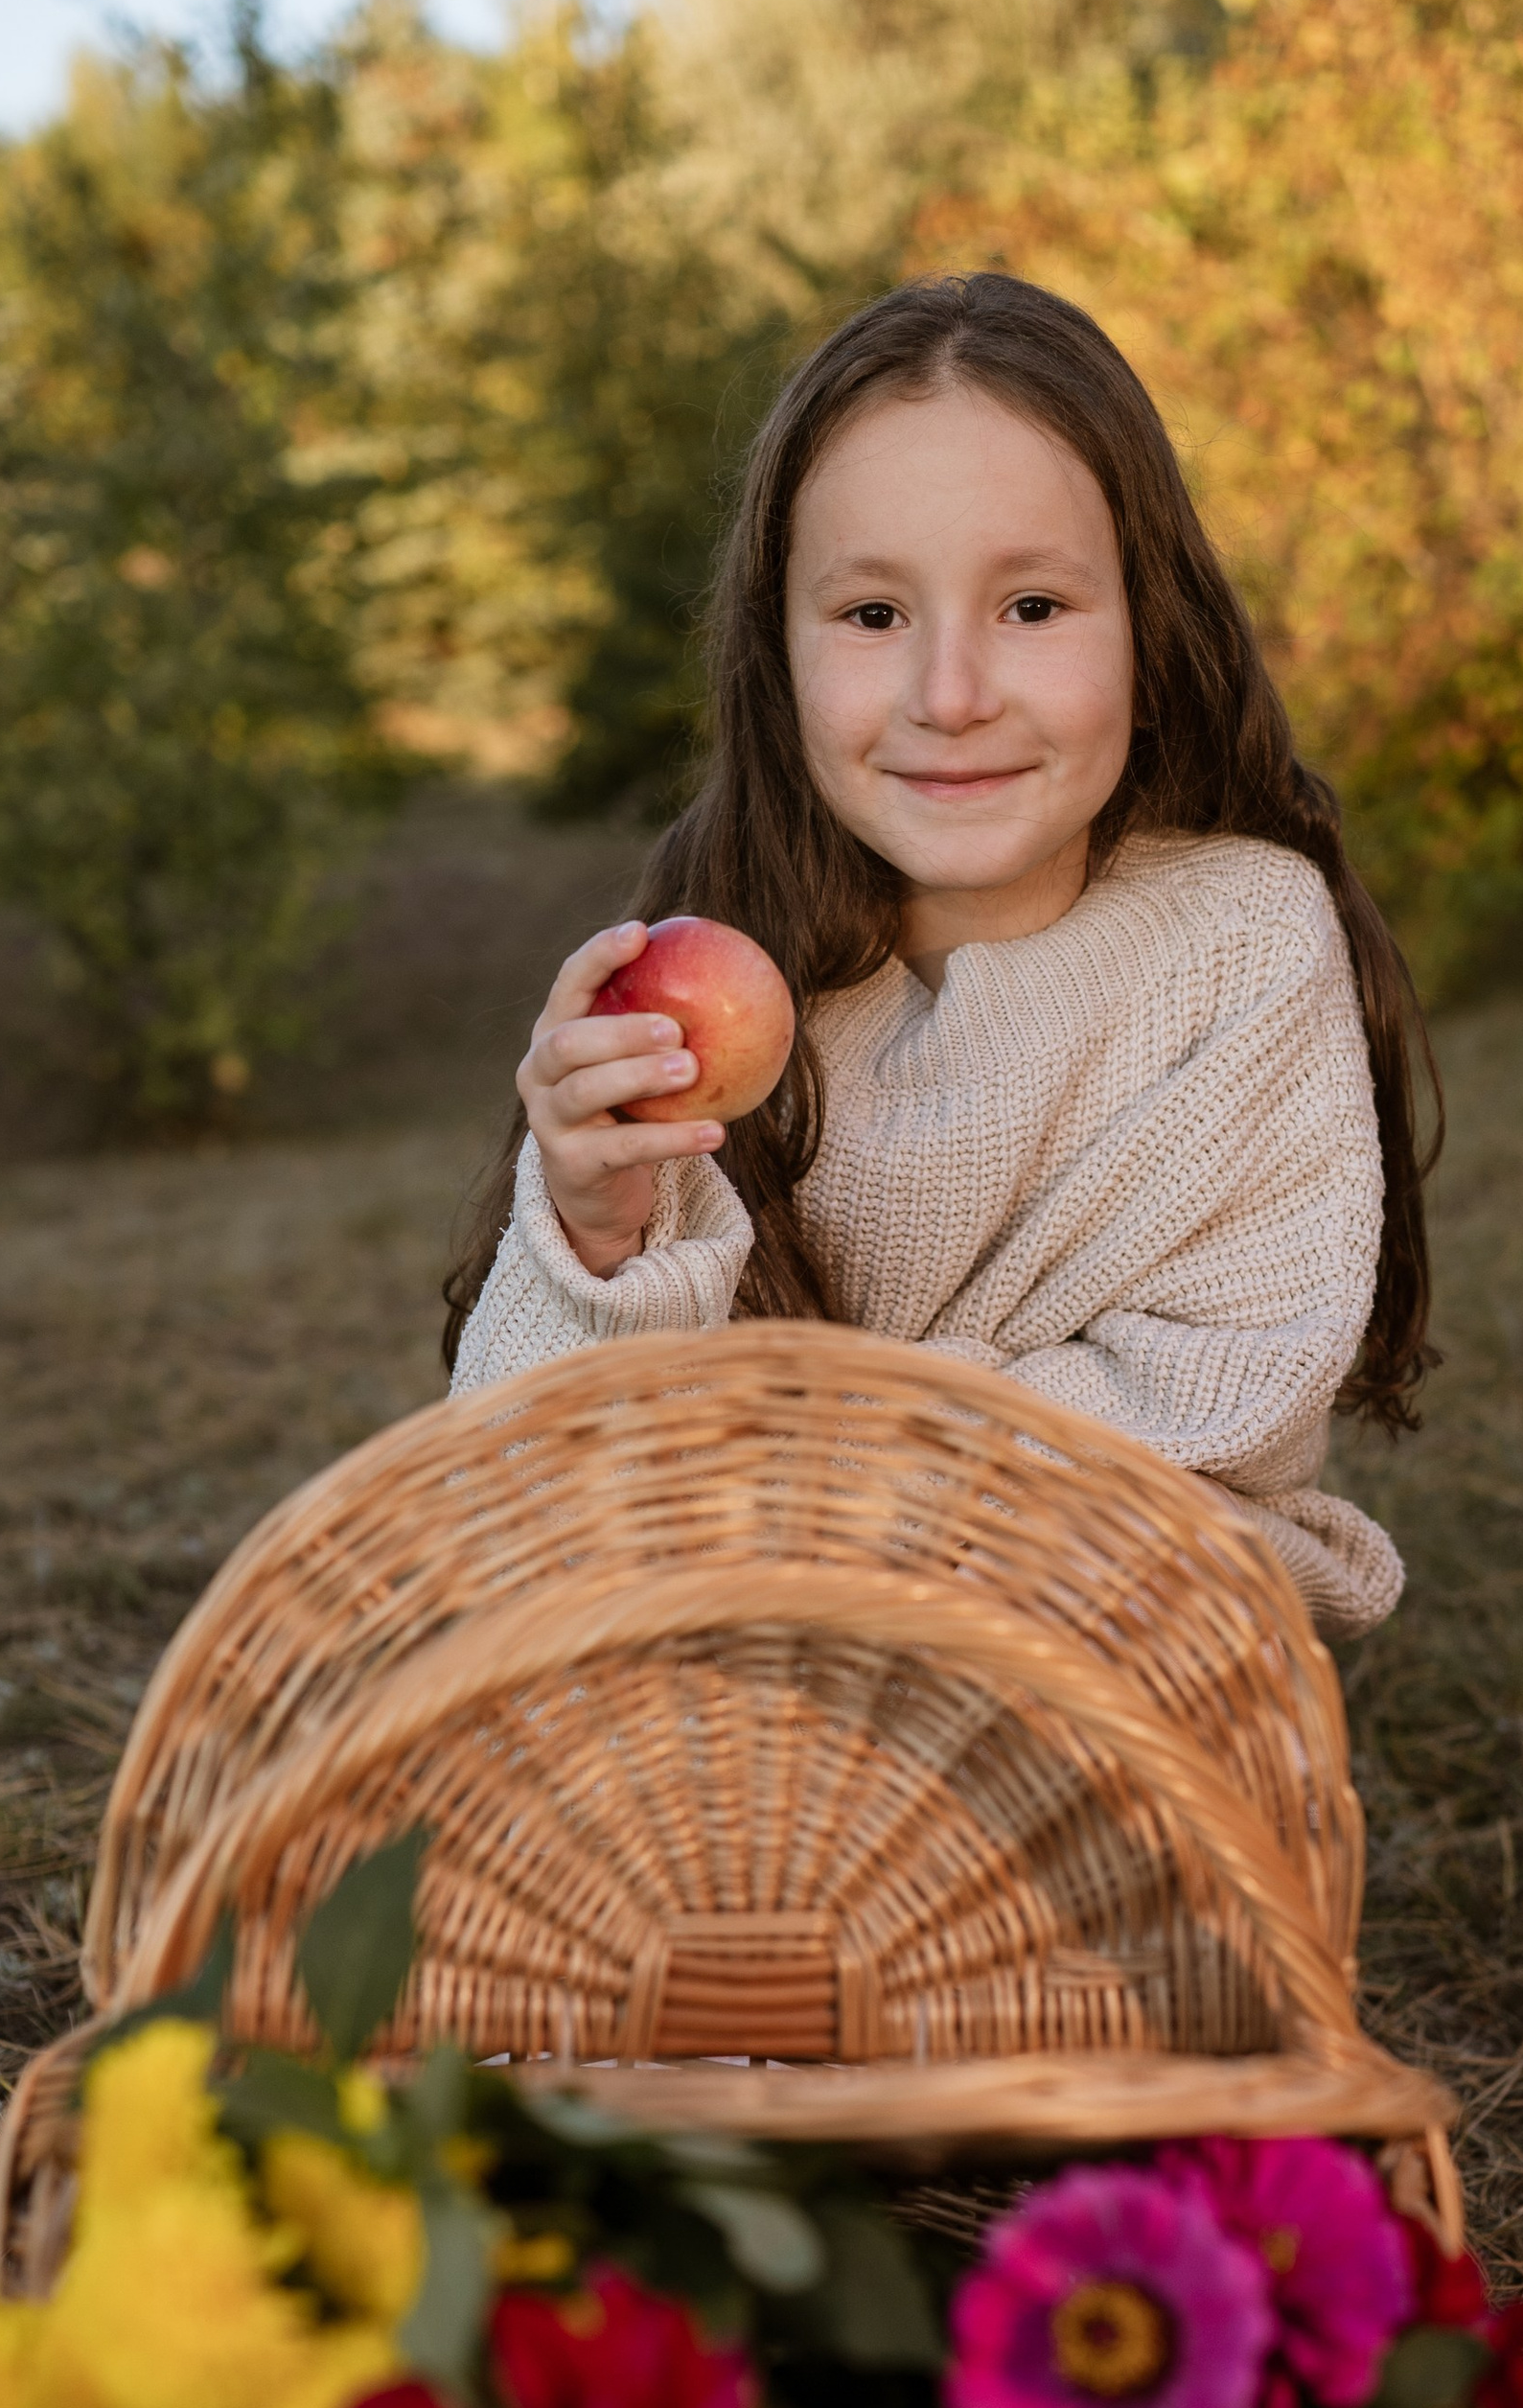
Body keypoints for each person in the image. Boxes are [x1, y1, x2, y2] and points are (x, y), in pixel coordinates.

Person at [442, 272, 1440, 1640]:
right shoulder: (730, 957)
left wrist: (802, 1477)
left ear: (1150, 625)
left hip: (1101, 1632)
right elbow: (526, 1495)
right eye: (873, 618)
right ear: (777, 654)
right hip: (766, 1667)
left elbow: (1210, 1406)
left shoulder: (1240, 943)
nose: (951, 696)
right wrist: (597, 1241)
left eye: (1032, 607)